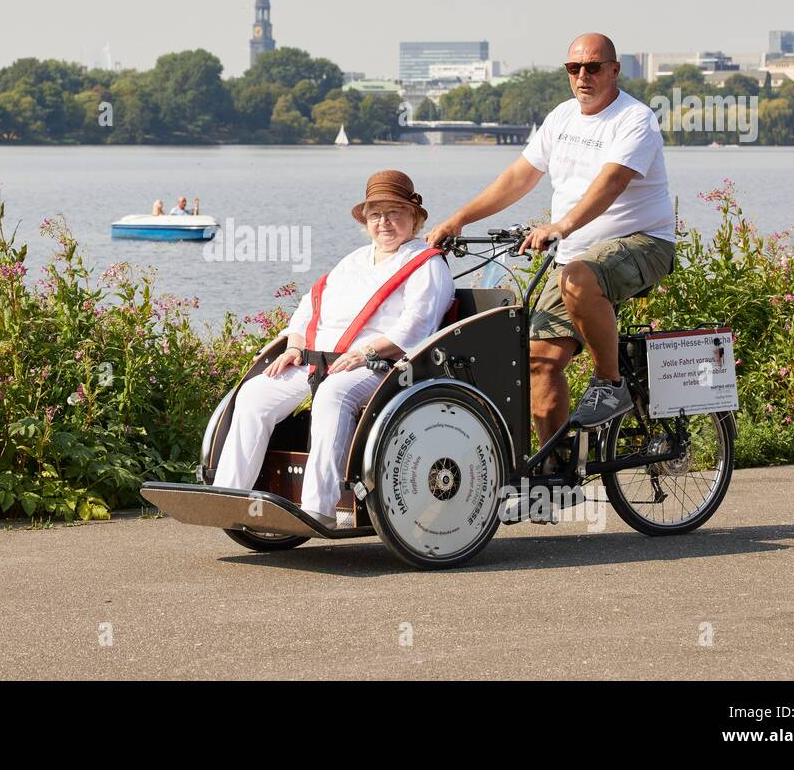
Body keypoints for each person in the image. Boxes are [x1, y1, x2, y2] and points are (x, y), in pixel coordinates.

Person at [425, 33, 675, 449]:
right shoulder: (561, 118)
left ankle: (611, 384)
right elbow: (518, 177)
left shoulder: (635, 120)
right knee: (539, 361)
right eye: (573, 68)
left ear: (614, 70)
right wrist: (458, 219)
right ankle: (556, 471)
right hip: (578, 258)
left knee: (577, 278)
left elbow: (610, 184)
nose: (583, 76)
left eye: (593, 67)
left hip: (644, 243)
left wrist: (561, 226)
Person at [213, 170, 455, 528]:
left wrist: (368, 352)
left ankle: (319, 509)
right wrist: (295, 346)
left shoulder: (428, 265)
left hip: (382, 367)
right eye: (376, 215)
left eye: (394, 213)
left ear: (415, 218)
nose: (384, 222)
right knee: (254, 394)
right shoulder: (353, 261)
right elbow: (310, 307)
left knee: (332, 396)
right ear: (367, 221)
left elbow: (416, 327)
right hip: (318, 360)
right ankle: (229, 496)